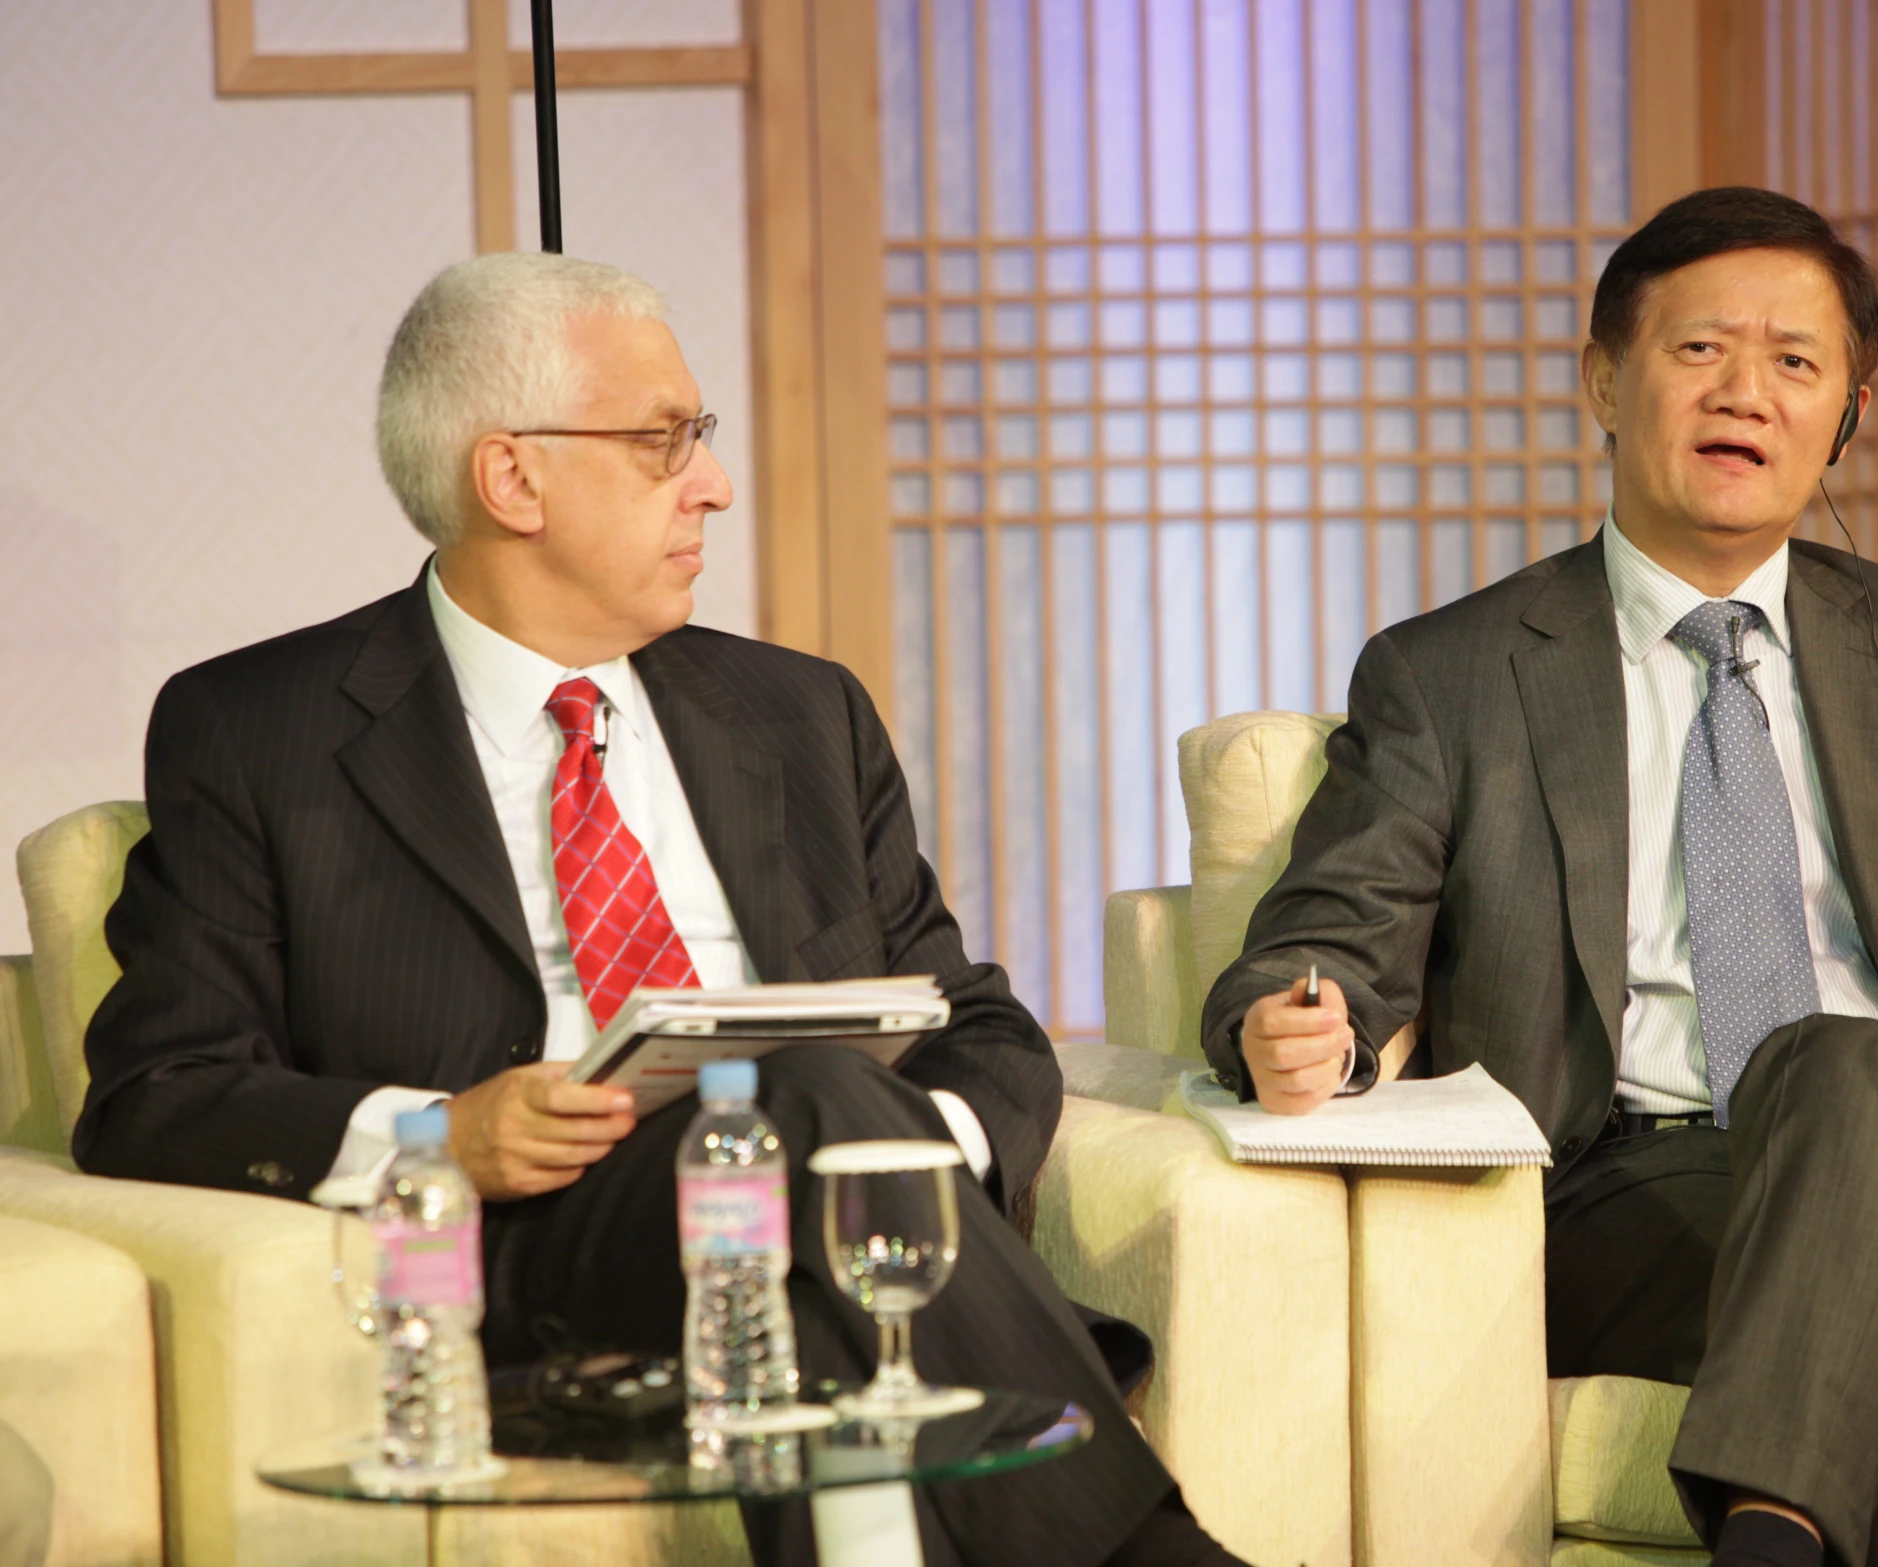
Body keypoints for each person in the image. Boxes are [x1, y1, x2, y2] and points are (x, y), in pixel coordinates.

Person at [76, 251, 1245, 1567]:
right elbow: (157, 1088)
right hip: (547, 1252)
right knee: (797, 1097)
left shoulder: (799, 713)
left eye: (701, 435)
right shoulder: (260, 729)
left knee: (806, 1188)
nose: (714, 482)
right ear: (510, 477)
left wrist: (893, 1180)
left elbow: (972, 1021)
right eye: (661, 440)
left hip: (807, 1241)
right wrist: (439, 1133)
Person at [1200, 187, 1878, 1567]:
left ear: (1845, 412)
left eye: (1796, 363)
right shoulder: (1451, 674)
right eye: (1698, 350)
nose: (1747, 394)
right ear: (1603, 379)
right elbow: (1324, 942)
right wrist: (1288, 1021)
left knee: (1844, 1071)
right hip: (1629, 1190)